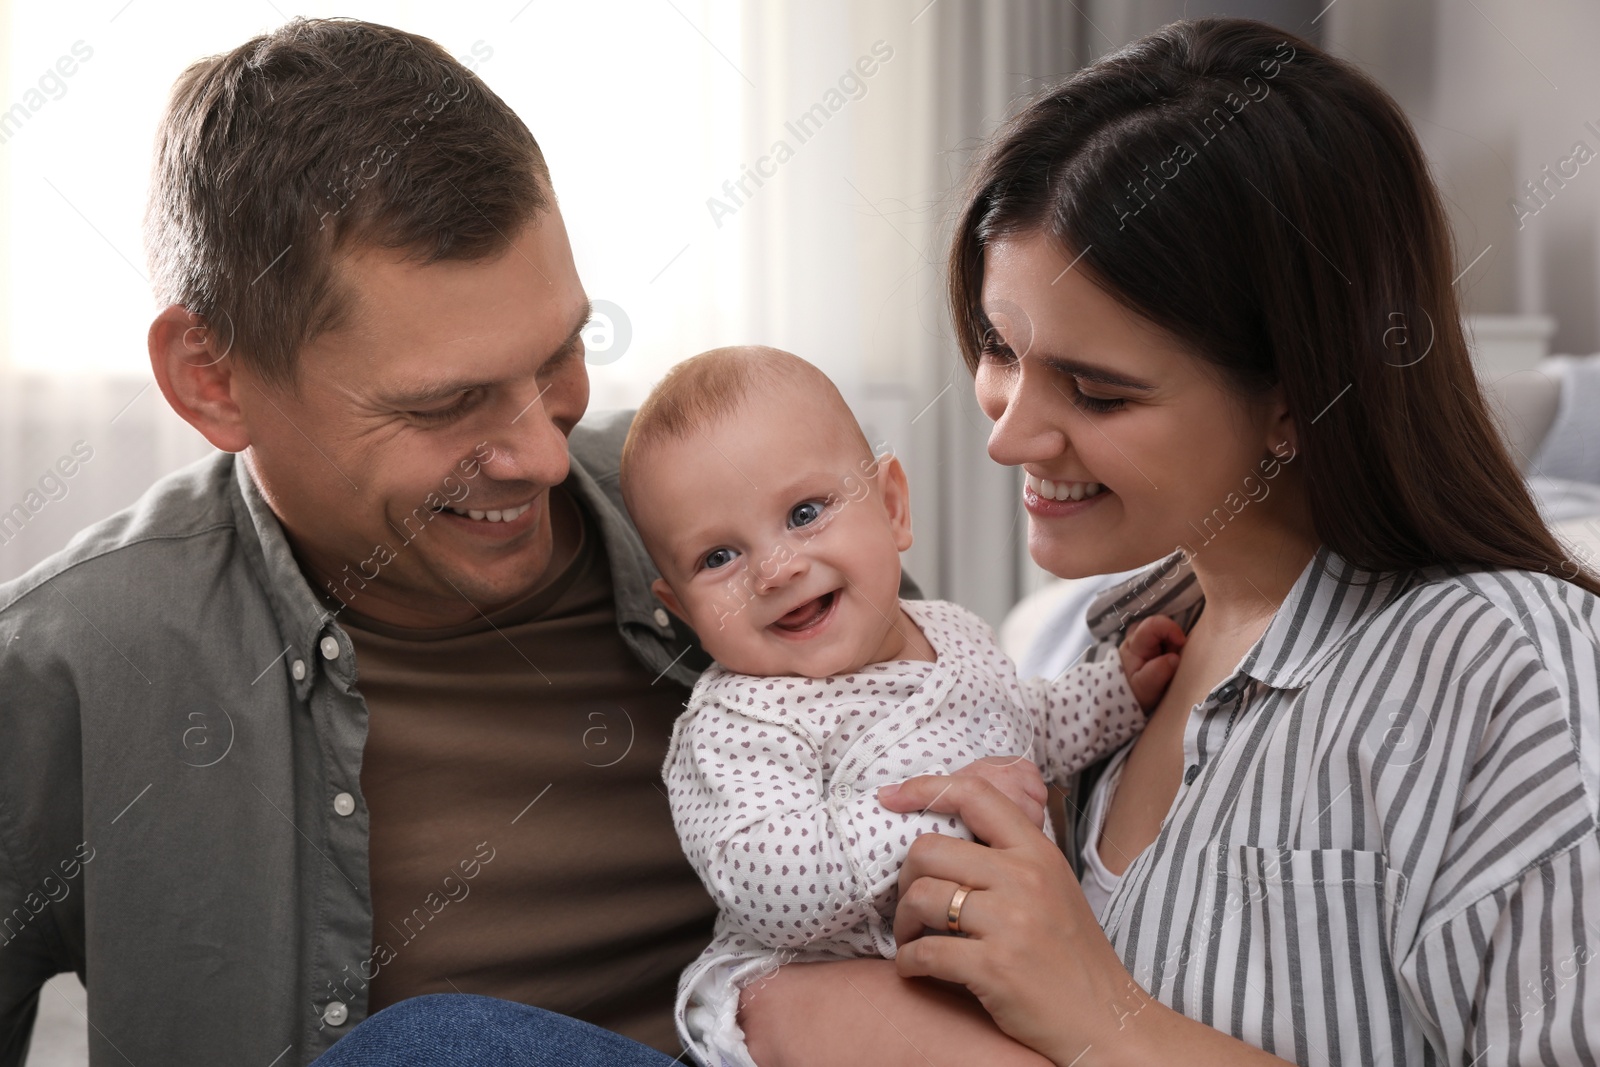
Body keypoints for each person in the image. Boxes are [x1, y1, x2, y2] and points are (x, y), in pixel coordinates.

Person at [734, 18, 1600, 1067]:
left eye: (1096, 390)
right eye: (999, 347)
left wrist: (1106, 1016)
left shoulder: (1502, 665)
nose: (1007, 433)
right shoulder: (1095, 665)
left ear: (1295, 397)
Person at [1, 18, 747, 1066]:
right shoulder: (69, 661)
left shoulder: (759, 508)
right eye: (447, 405)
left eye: (559, 353)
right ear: (211, 378)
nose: (539, 453)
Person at [615, 345, 1183, 1065]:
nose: (775, 568)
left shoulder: (954, 632)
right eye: (717, 557)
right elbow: (771, 883)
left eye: (805, 511)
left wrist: (1116, 693)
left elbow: (1026, 725)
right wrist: (948, 812)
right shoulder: (739, 722)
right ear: (683, 609)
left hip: (977, 965)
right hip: (815, 978)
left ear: (891, 506)